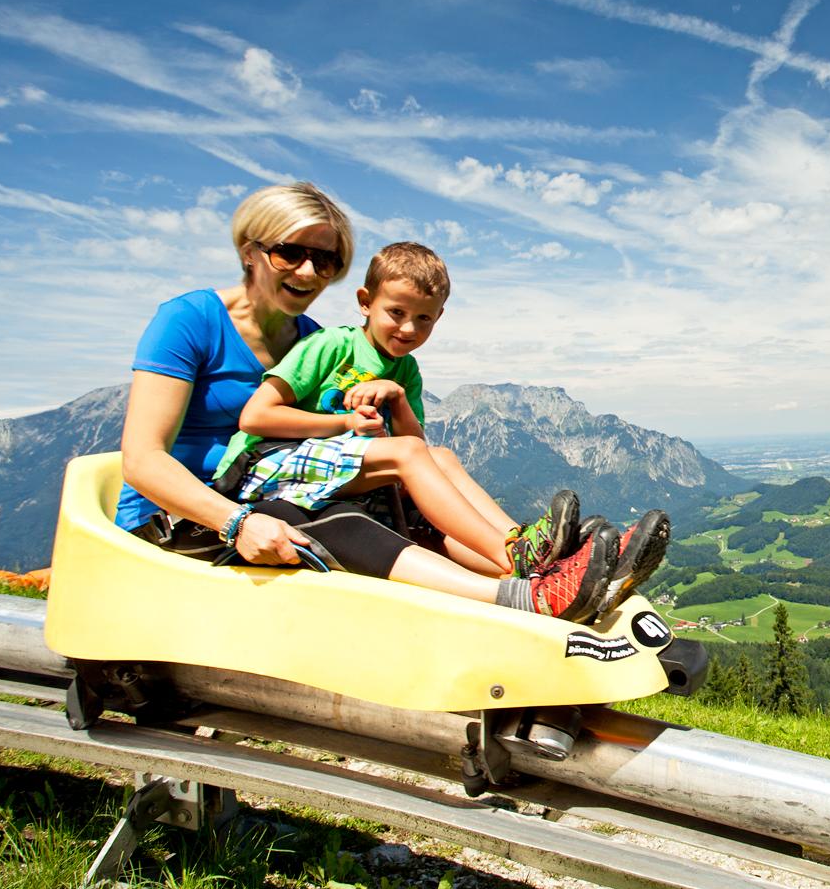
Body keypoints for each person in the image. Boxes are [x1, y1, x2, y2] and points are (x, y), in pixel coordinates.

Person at [117, 181, 656, 623]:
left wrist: (385, 413)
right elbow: (143, 459)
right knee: (352, 518)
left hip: (290, 488)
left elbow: (374, 437)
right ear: (250, 252)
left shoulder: (313, 337)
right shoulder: (192, 320)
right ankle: (528, 582)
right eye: (290, 252)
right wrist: (235, 521)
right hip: (192, 513)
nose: (308, 272)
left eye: (325, 260)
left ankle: (548, 574)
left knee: (419, 500)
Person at [215, 240, 667, 621]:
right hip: (265, 468)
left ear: (439, 317)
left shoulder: (405, 368)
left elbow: (417, 444)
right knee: (413, 457)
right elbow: (255, 417)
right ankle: (519, 557)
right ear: (365, 302)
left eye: (424, 319)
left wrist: (394, 396)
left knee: (442, 458)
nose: (408, 328)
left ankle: (537, 556)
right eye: (396, 312)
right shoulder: (333, 345)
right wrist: (343, 422)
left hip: (328, 472)